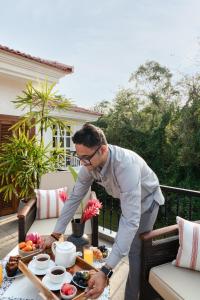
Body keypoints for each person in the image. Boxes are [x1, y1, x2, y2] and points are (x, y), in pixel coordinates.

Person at [42, 123, 165, 300]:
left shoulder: (126, 166)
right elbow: (74, 198)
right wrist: (55, 234)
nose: (83, 163)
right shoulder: (88, 165)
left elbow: (130, 220)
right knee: (130, 248)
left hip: (147, 201)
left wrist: (106, 270)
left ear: (103, 150)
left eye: (86, 158)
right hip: (129, 200)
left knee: (136, 251)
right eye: (79, 158)